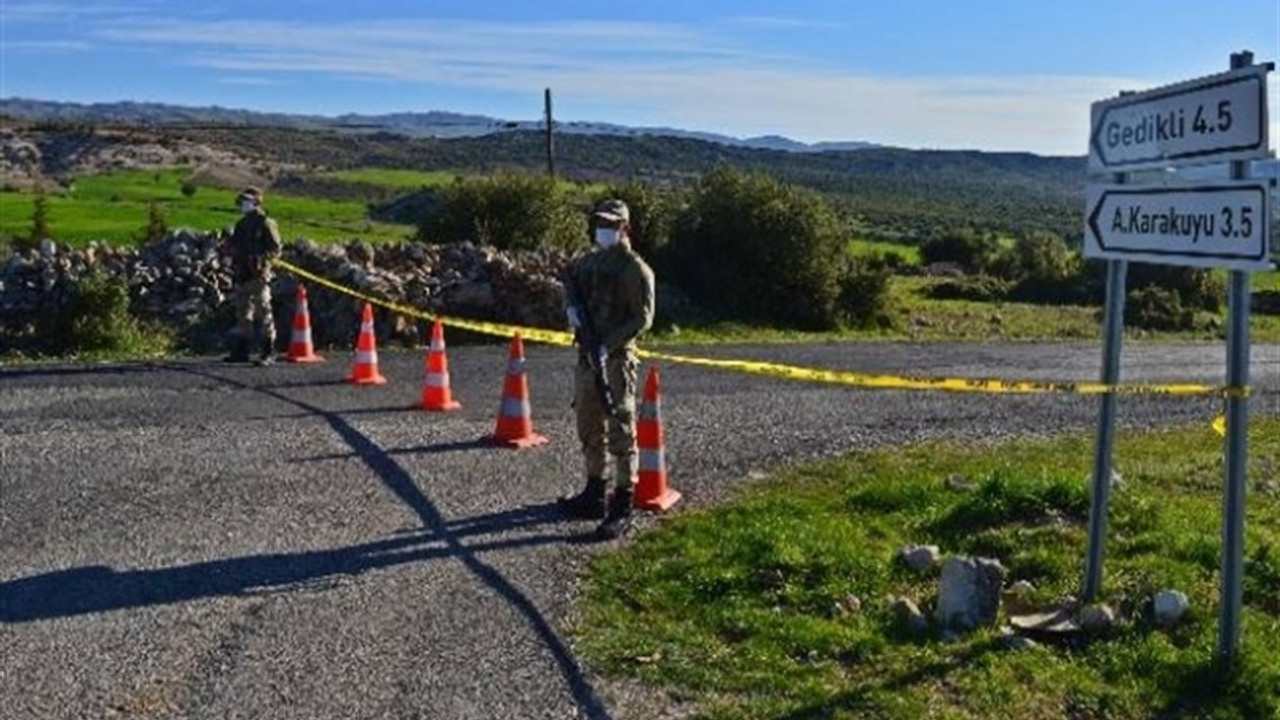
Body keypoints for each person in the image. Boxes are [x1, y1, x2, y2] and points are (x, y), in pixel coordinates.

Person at [558, 199, 655, 539]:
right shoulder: (588, 263)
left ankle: (622, 504)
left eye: (612, 224)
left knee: (621, 429)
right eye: (601, 223)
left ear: (625, 228)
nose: (605, 229)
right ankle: (594, 491)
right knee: (588, 424)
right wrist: (571, 313)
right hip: (586, 356)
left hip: (615, 359)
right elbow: (574, 294)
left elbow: (642, 318)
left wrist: (607, 344)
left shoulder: (634, 269)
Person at [223, 186, 283, 365]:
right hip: (242, 274)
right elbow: (235, 247)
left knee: (263, 312)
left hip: (258, 275)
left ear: (256, 202)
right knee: (243, 313)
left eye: (246, 201)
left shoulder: (266, 223)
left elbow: (276, 248)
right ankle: (242, 351)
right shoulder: (242, 224)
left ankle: (268, 352)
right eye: (242, 202)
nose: (243, 205)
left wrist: (262, 261)